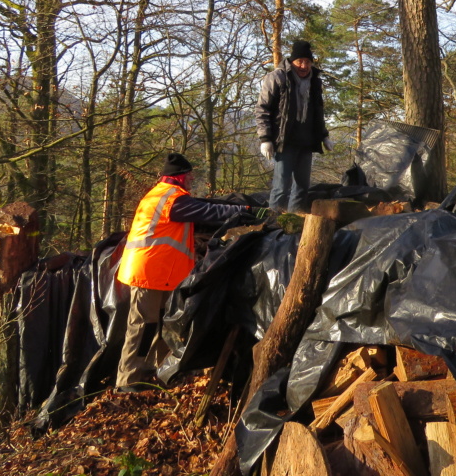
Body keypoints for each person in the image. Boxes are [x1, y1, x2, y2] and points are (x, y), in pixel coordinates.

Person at [114, 152, 259, 392]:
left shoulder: (166, 195)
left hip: (160, 273)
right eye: (189, 175)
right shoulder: (171, 199)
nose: (192, 179)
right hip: (148, 272)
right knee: (143, 326)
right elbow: (209, 212)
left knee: (164, 325)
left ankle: (158, 373)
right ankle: (128, 381)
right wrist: (243, 211)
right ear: (179, 176)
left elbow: (205, 205)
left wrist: (240, 206)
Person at [256, 39, 332, 213]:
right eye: (300, 61)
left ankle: (293, 222)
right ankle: (273, 224)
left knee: (302, 187)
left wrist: (324, 135)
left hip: (306, 141)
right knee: (281, 186)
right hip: (285, 141)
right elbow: (262, 109)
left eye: (307, 62)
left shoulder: (315, 82)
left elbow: (317, 112)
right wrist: (265, 138)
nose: (304, 66)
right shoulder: (278, 77)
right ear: (292, 61)